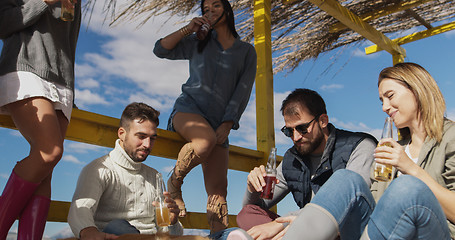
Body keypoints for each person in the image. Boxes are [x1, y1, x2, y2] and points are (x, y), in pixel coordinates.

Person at [281, 62, 455, 240]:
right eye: (382, 100)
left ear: (418, 90)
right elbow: (376, 206)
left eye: (390, 96)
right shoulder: (395, 148)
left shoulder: (451, 137)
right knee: (345, 178)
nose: (384, 107)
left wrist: (411, 169)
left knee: (406, 187)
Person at [153, 0, 257, 234]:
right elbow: (160, 49)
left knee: (219, 194)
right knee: (204, 142)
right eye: (205, 9)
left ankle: (218, 237)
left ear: (227, 10)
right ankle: (175, 184)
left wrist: (229, 123)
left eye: (215, 6)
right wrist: (188, 29)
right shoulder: (197, 42)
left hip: (220, 122)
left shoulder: (247, 51)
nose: (209, 11)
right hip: (188, 110)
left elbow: (243, 89)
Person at [235, 88, 377, 239]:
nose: (296, 137)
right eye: (288, 131)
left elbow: (353, 203)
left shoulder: (360, 146)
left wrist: (280, 225)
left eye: (302, 128)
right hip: (303, 232)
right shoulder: (292, 159)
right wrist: (253, 189)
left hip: (346, 231)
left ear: (323, 121)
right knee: (246, 214)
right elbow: (255, 209)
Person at [0, 0, 81, 239]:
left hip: (63, 82)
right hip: (25, 69)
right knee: (50, 151)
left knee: (46, 173)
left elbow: (68, 43)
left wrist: (69, 88)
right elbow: (3, 23)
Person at [67, 103, 184, 239]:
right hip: (113, 236)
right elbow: (80, 210)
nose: (147, 144)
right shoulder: (99, 169)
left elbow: (170, 235)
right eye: (141, 136)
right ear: (122, 134)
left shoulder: (154, 176)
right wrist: (89, 232)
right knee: (118, 226)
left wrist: (172, 222)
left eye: (152, 138)